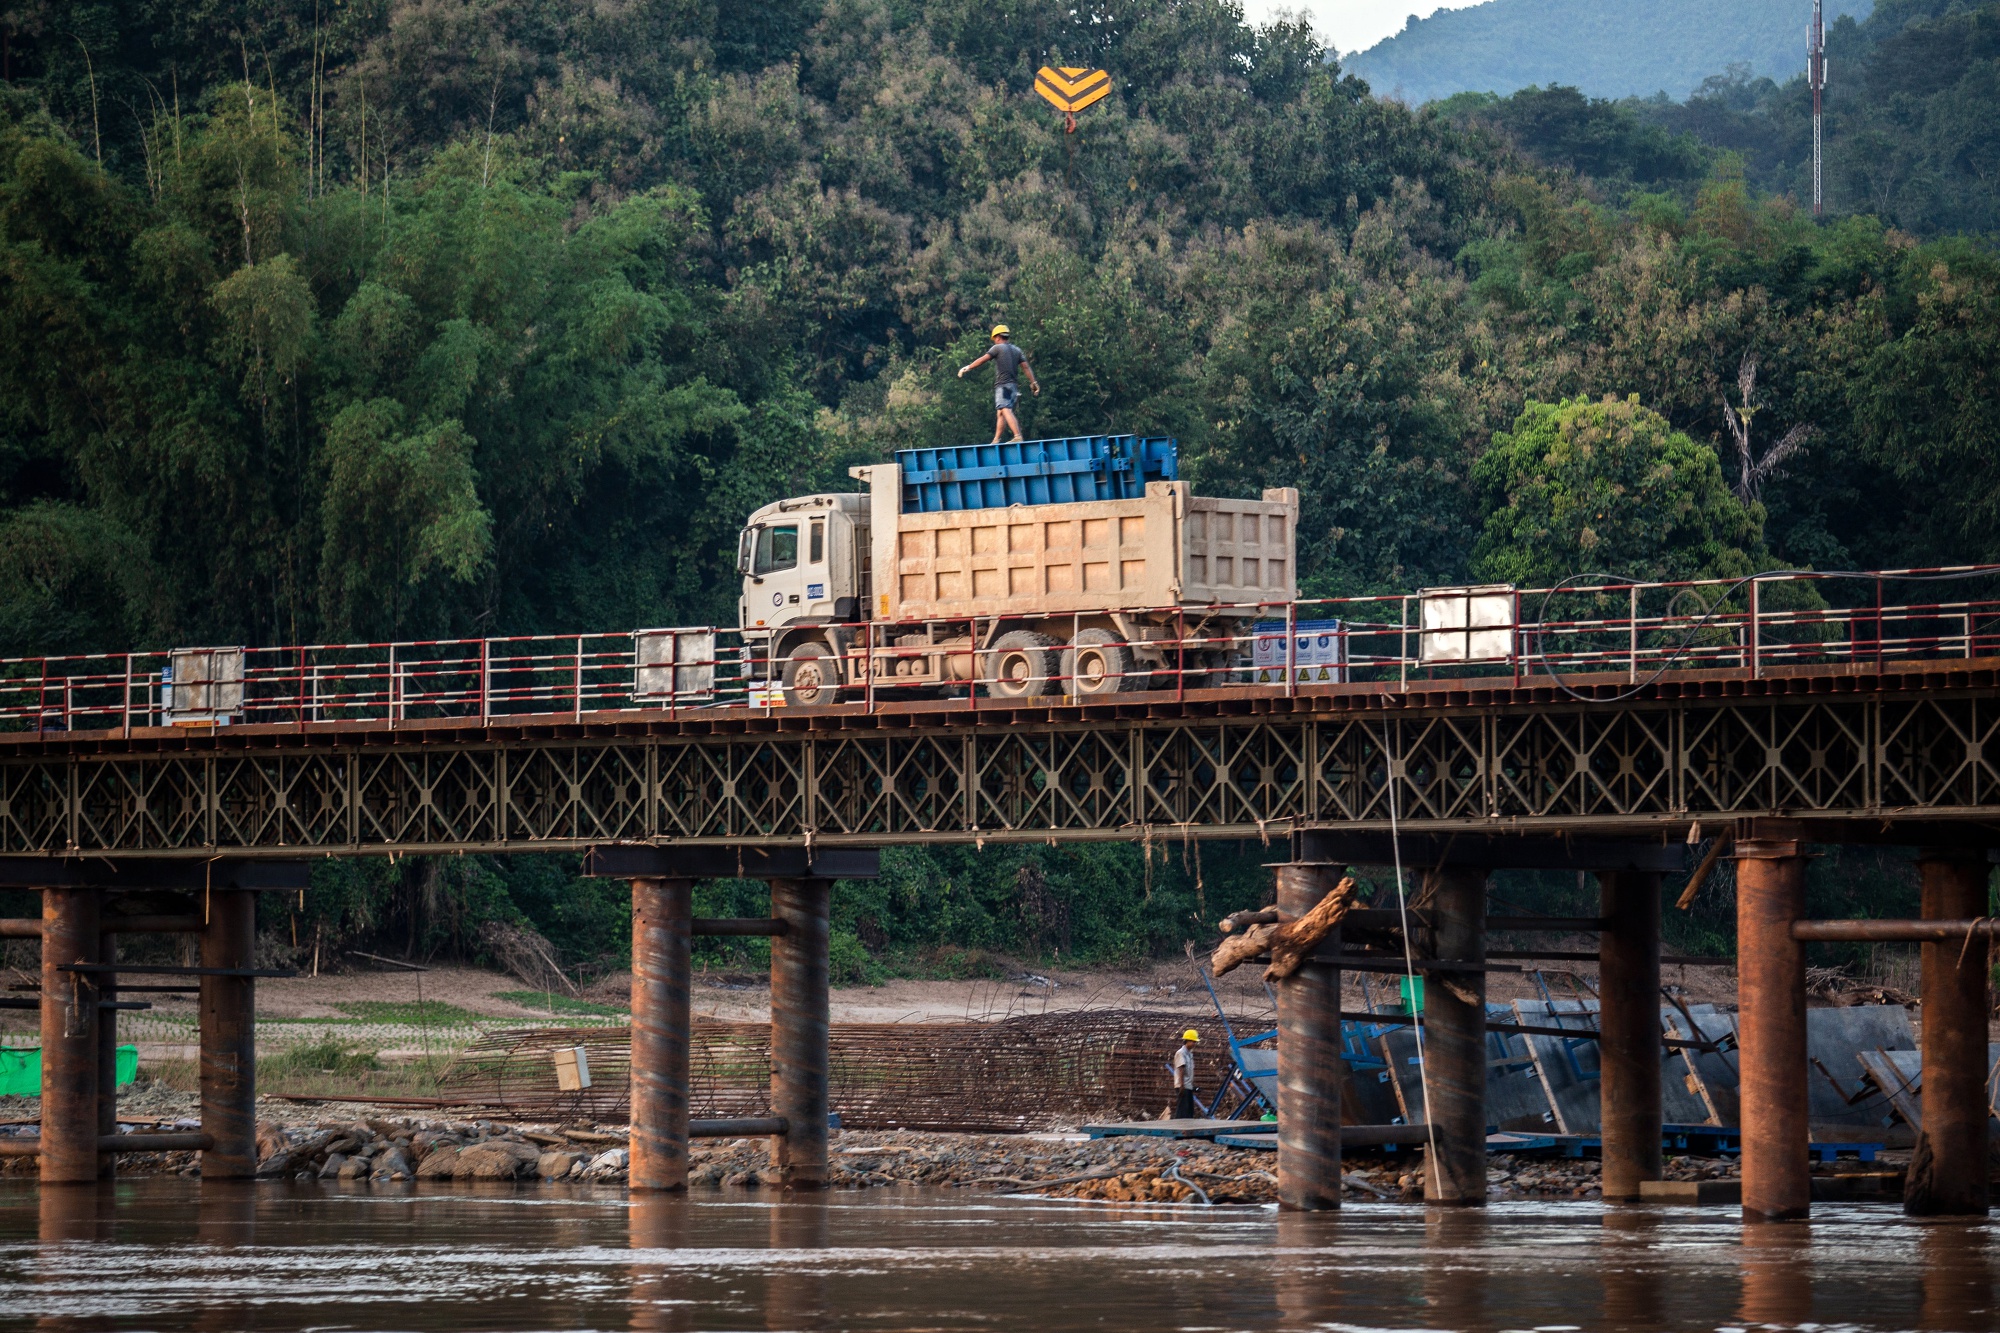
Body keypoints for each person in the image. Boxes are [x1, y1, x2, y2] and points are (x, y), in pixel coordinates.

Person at [957, 325, 1040, 443]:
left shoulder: (997, 348)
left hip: (1003, 385)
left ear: (997, 337)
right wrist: (1033, 382)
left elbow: (983, 359)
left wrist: (968, 367)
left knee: (1005, 409)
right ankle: (996, 439)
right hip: (1013, 387)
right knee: (1000, 412)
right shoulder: (1016, 350)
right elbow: (1025, 367)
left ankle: (1017, 436)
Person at [1170, 1028, 1200, 1120]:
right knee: (1183, 1110)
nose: (1194, 1044)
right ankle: (1179, 1128)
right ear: (1187, 1041)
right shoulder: (1181, 1053)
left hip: (1188, 1085)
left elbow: (1189, 1071)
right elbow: (1181, 1069)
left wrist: (1192, 1086)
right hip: (1182, 1086)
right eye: (1193, 1041)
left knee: (1189, 1110)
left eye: (1195, 1042)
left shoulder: (1189, 1054)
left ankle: (1188, 1130)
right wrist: (1182, 1085)